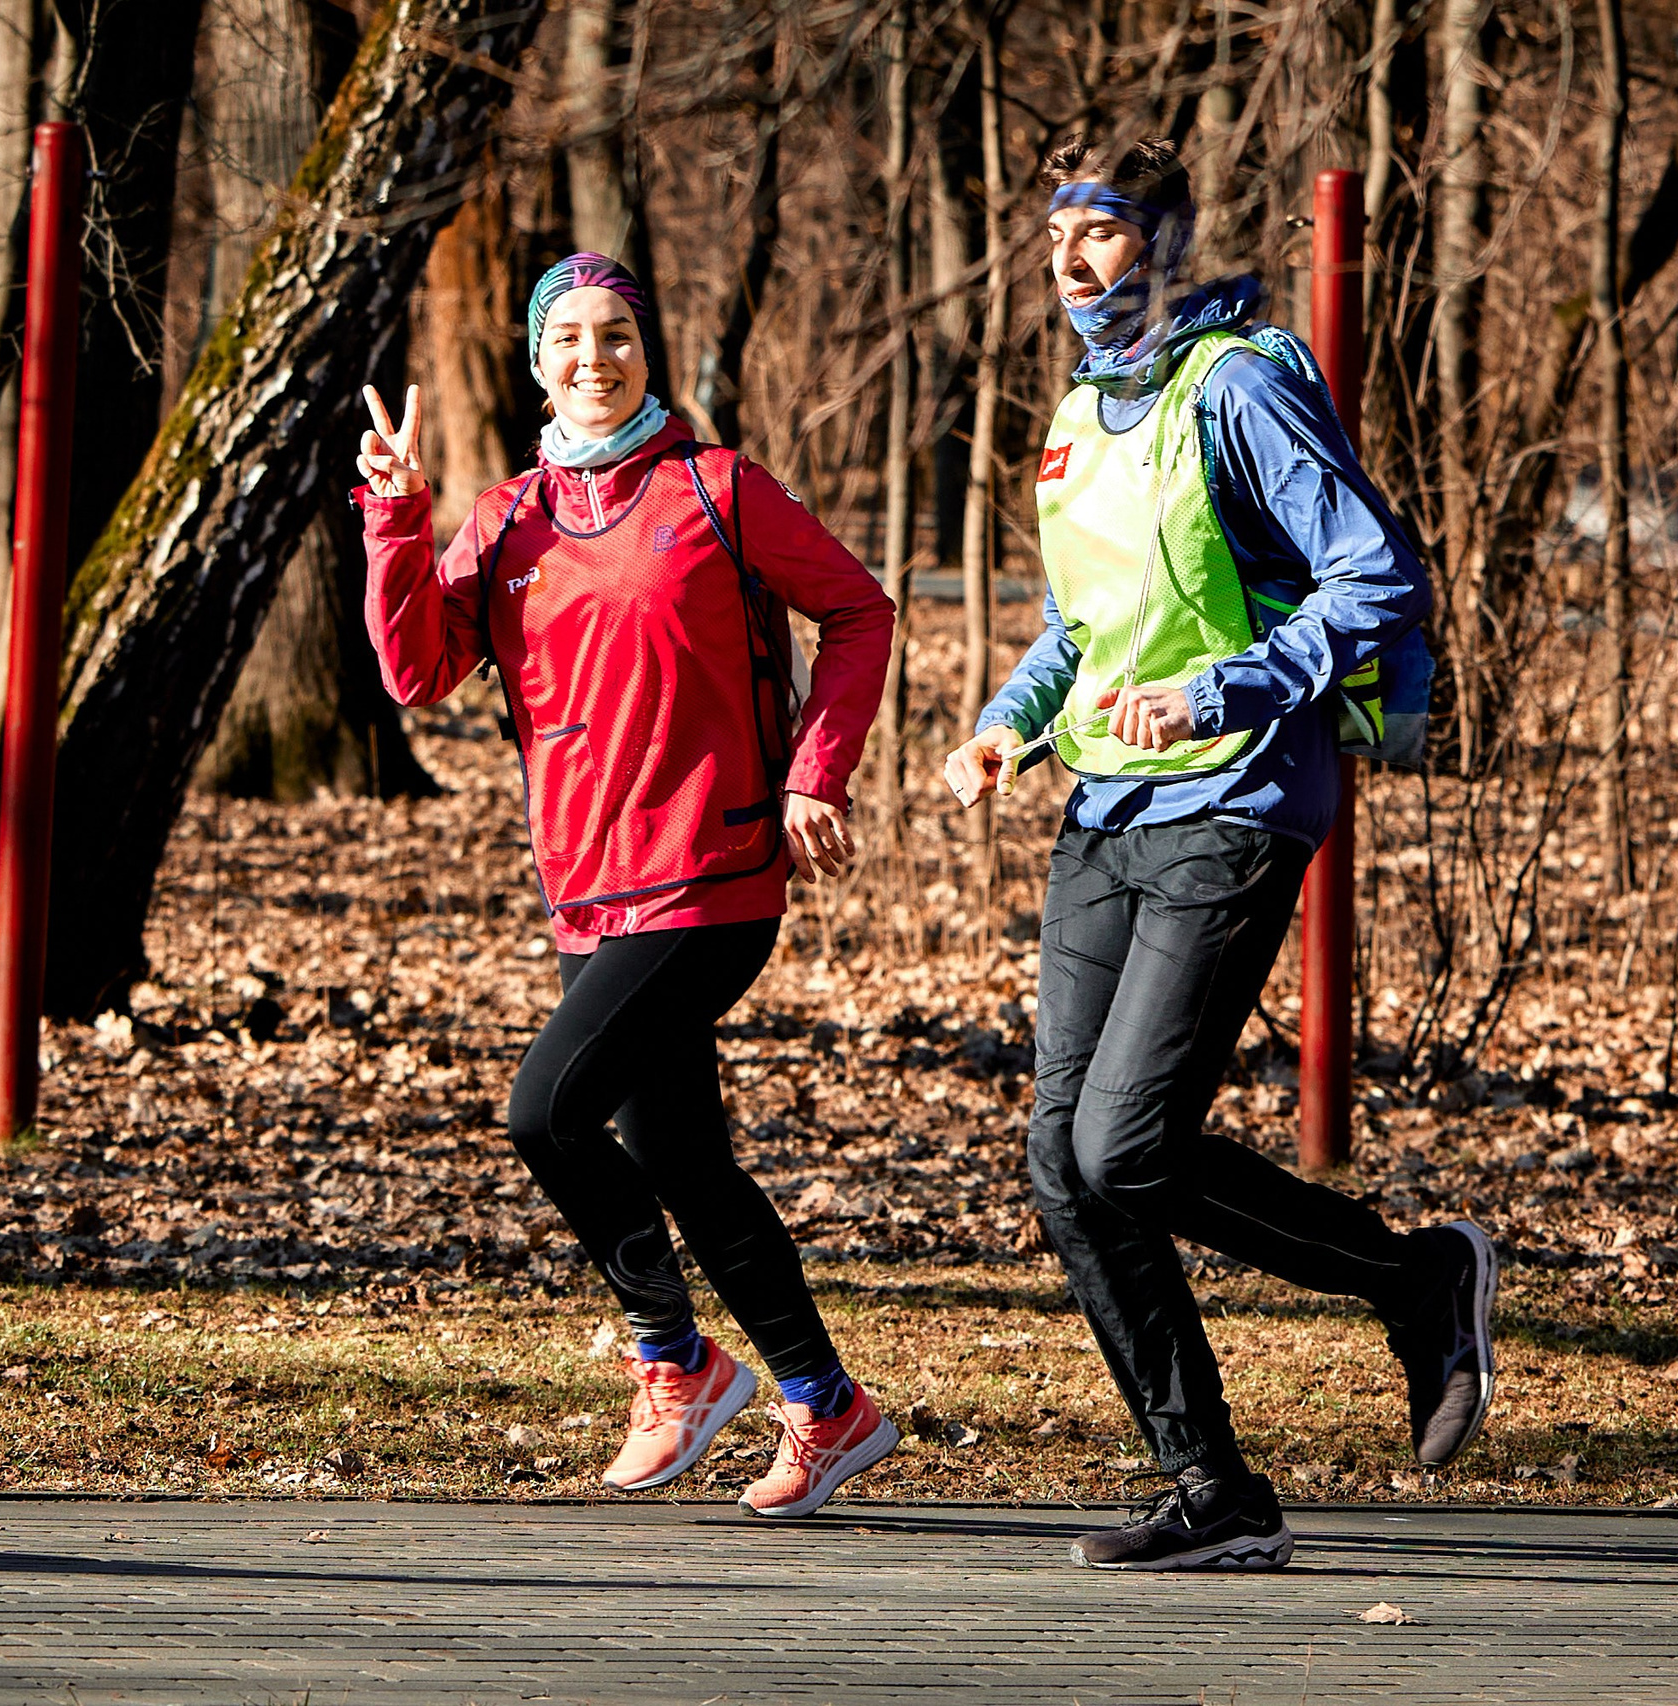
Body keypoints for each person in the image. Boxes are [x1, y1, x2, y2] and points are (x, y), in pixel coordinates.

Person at [942, 140, 1495, 1572]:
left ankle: (1411, 1279)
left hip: (1239, 795)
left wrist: (1224, 689)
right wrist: (1009, 723)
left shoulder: (1238, 384)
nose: (1072, 259)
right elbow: (1081, 624)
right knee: (1064, 1166)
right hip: (1105, 808)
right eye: (1057, 232)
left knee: (1122, 1144)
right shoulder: (1080, 411)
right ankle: (1214, 1487)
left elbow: (1376, 574)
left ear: (1165, 242)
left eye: (1102, 231)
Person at [355, 252, 901, 1519]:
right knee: (683, 1159)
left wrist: (816, 771)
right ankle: (827, 1404)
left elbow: (859, 612)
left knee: (545, 1113)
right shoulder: (506, 519)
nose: (592, 356)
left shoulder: (716, 489)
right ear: (535, 364)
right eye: (568, 337)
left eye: (616, 334)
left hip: (714, 868)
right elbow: (417, 671)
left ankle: (675, 1355)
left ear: (646, 353)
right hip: (586, 885)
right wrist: (396, 519)